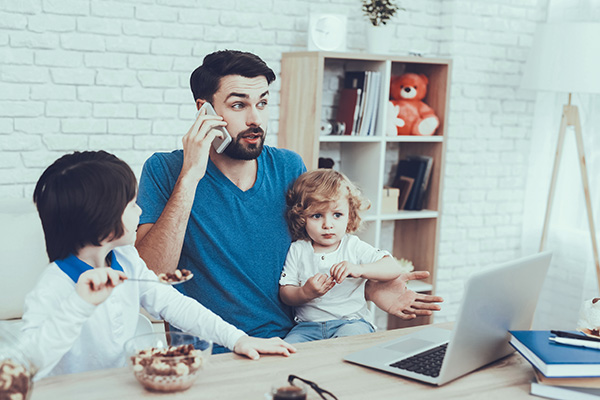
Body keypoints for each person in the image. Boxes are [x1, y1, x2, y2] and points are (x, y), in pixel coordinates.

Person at [135, 50, 442, 352]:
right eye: (239, 105)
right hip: (209, 350)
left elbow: (319, 250)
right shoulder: (165, 170)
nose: (255, 119)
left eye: (263, 103)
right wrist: (190, 177)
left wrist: (369, 287)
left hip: (287, 343)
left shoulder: (288, 167)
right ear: (204, 110)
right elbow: (150, 276)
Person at [21, 151, 296, 380]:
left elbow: (175, 305)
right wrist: (79, 304)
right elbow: (27, 364)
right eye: (131, 205)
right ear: (100, 220)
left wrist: (238, 339)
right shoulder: (55, 285)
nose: (140, 210)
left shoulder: (127, 259)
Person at [280, 169, 404, 343]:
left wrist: (359, 269)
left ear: (349, 215)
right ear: (302, 218)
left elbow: (393, 268)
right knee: (288, 350)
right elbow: (286, 292)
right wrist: (305, 292)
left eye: (337, 215)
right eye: (317, 216)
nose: (328, 225)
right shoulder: (298, 249)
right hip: (307, 328)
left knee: (347, 347)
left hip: (351, 323)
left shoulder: (352, 246)